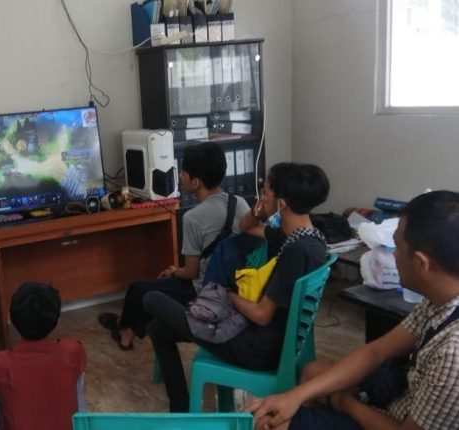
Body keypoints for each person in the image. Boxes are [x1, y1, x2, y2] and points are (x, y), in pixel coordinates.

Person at [246, 190, 459, 430]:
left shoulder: (453, 353)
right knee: (312, 373)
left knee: (269, 424)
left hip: (399, 421)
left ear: (421, 263)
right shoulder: (439, 300)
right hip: (404, 396)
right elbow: (375, 351)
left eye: (396, 248)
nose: (393, 254)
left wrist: (345, 403)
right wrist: (294, 396)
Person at [144, 162, 329, 412]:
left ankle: (182, 409)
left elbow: (262, 315)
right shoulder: (308, 238)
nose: (262, 197)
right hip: (269, 339)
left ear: (282, 204)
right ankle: (181, 408)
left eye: (266, 192)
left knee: (152, 298)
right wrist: (258, 213)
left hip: (255, 347)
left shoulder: (295, 252)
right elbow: (246, 227)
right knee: (158, 328)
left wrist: (229, 296)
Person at [98, 142, 250, 350]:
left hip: (205, 293)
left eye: (183, 173)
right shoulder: (240, 203)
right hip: (236, 287)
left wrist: (174, 271)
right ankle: (127, 326)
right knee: (153, 288)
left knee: (138, 289)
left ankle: (125, 333)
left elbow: (191, 272)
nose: (180, 176)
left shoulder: (193, 218)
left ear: (195, 182)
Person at [0, 282, 86, 430]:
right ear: (57, 321)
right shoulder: (72, 349)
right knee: (75, 373)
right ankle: (81, 425)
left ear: (9, 318)